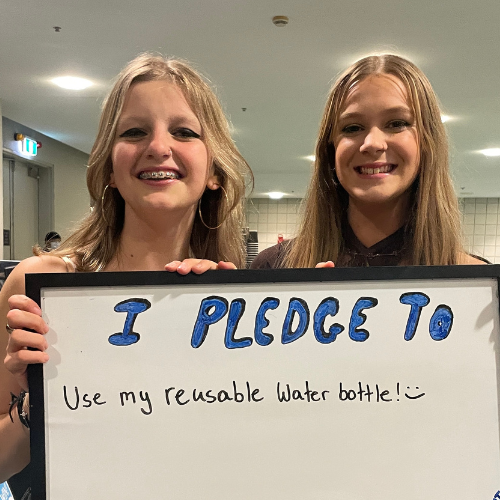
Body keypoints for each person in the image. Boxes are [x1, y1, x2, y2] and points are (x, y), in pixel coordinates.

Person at [0, 53, 252, 482]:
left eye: (184, 132)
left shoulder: (237, 302)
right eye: (135, 131)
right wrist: (36, 400)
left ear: (214, 171)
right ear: (110, 169)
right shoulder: (39, 285)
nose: (158, 147)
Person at [251, 54, 484, 269]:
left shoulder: (475, 281)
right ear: (330, 148)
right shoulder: (275, 268)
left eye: (397, 124)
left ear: (427, 141)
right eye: (353, 127)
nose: (372, 143)